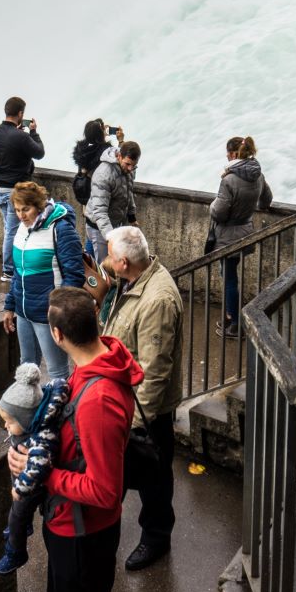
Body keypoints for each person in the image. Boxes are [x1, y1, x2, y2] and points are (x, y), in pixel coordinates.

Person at [8, 286, 141, 592]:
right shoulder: (102, 359)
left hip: (82, 533)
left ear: (56, 335)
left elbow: (106, 492)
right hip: (71, 521)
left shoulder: (98, 401)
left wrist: (40, 471)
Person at [98, 226, 183, 572]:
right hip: (124, 402)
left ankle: (157, 538)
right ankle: (108, 532)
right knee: (126, 472)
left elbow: (154, 370)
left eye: (109, 255)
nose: (104, 258)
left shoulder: (157, 301)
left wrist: (136, 425)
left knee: (155, 476)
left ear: (123, 262)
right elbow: (104, 295)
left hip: (146, 413)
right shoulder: (133, 277)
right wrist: (98, 279)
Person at [3, 180, 84, 382]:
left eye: (26, 209)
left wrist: (57, 311)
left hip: (47, 315)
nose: (21, 216)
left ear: (39, 206)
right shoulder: (22, 229)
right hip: (23, 312)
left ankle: (61, 412)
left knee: (57, 373)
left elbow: (74, 275)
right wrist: (10, 305)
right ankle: (28, 409)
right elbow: (18, 272)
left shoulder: (60, 229)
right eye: (17, 210)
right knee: (26, 366)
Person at [0, 362, 71, 575]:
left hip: (31, 487)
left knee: (15, 516)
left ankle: (15, 552)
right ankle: (25, 525)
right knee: (19, 516)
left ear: (26, 420)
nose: (6, 427)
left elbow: (37, 468)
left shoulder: (41, 438)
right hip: (22, 479)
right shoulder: (29, 425)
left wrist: (20, 490)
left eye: (9, 422)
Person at [207, 136, 273, 339]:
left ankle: (235, 324)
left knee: (229, 279)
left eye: (228, 153)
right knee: (230, 275)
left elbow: (219, 212)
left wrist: (211, 206)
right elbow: (267, 199)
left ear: (235, 154)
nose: (226, 156)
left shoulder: (229, 180)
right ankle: (229, 317)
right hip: (245, 230)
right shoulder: (258, 175)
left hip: (227, 234)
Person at [0, 96, 45, 281]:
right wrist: (33, 133)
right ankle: (8, 271)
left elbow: (4, 151)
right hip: (15, 192)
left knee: (9, 228)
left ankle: (12, 266)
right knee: (12, 231)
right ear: (21, 114)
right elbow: (40, 152)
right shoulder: (21, 136)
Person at [85, 140, 141, 264]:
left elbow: (128, 191)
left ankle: (85, 279)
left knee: (89, 262)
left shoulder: (129, 169)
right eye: (127, 164)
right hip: (98, 227)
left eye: (134, 165)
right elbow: (100, 211)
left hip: (113, 223)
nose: (130, 168)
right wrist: (111, 238)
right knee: (105, 266)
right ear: (119, 156)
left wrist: (131, 216)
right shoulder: (104, 174)